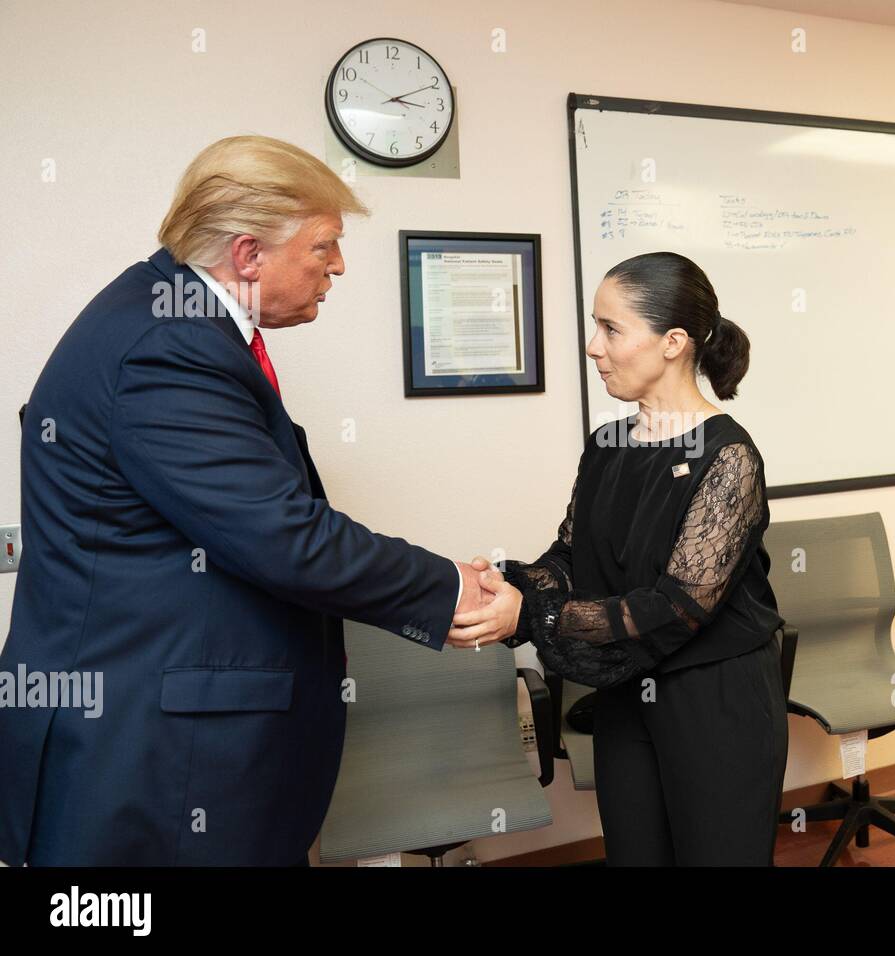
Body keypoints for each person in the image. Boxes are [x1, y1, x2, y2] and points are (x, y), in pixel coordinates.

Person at [0, 135, 498, 866]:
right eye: (323, 245)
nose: (338, 266)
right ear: (247, 254)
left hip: (161, 734)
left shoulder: (169, 320)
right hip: (152, 754)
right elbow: (284, 536)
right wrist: (449, 586)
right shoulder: (165, 347)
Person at [448, 252, 789, 866]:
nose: (592, 346)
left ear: (673, 343)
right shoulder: (609, 442)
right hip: (627, 690)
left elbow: (678, 605)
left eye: (611, 329)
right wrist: (511, 585)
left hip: (714, 701)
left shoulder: (730, 457)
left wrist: (533, 617)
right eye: (594, 326)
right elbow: (573, 554)